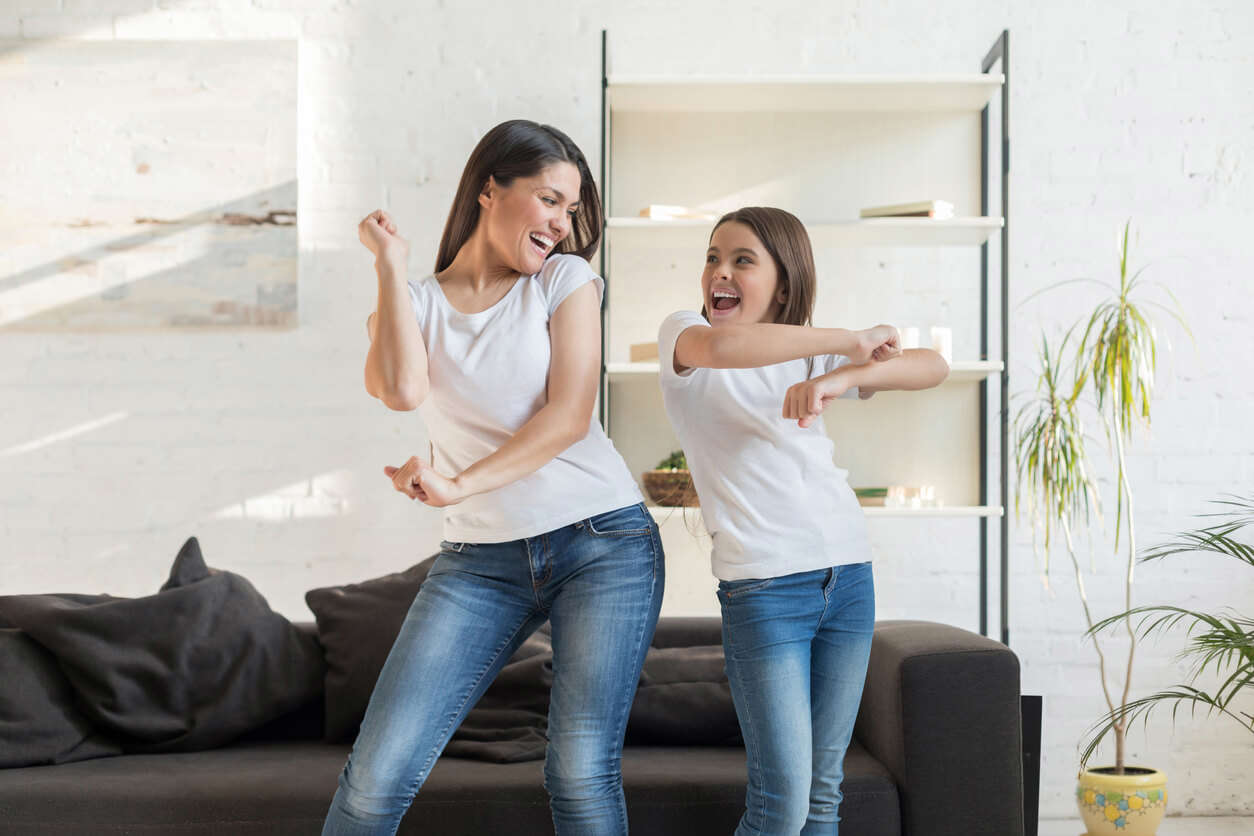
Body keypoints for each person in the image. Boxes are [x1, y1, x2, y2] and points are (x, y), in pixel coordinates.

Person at [322, 120, 664, 836]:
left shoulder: (566, 282)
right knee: (375, 777)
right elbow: (402, 391)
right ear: (489, 190)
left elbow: (569, 416)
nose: (561, 222)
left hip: (603, 543)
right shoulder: (416, 303)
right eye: (547, 199)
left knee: (578, 772)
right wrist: (389, 264)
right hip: (481, 560)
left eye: (570, 209)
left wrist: (457, 483)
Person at [656, 207, 949, 835]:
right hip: (764, 590)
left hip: (847, 577)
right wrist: (846, 341)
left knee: (822, 795)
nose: (719, 272)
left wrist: (845, 377)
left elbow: (932, 366)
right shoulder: (686, 339)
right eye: (713, 257)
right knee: (781, 802)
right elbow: (727, 346)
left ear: (783, 283)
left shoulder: (811, 358)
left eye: (741, 260)